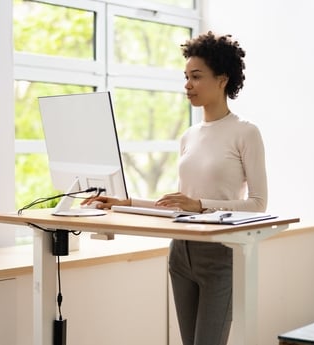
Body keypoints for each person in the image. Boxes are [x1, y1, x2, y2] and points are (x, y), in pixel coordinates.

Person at [83, 31, 267, 345]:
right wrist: (121, 202)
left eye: (196, 76)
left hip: (220, 255)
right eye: (185, 77)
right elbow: (177, 206)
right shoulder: (188, 136)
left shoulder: (245, 133)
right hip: (180, 253)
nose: (187, 85)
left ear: (222, 79)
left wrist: (201, 205)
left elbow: (258, 204)